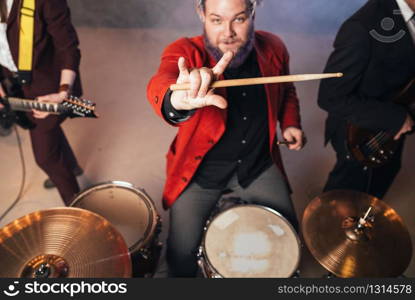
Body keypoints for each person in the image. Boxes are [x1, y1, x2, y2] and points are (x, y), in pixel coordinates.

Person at [147, 0, 306, 277]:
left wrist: (290, 123)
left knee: (288, 239)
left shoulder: (274, 47)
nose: (228, 32)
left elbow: (287, 89)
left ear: (254, 11)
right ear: (201, 14)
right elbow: (163, 81)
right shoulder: (183, 51)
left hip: (258, 166)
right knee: (180, 255)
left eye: (239, 19)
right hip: (200, 174)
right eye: (217, 20)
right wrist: (177, 99)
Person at [318, 0, 415, 199]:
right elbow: (330, 97)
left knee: (370, 211)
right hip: (360, 137)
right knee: (341, 214)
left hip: (391, 135)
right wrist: (396, 118)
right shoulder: (361, 26)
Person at [0, 0, 83, 205]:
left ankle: (80, 209)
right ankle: (72, 167)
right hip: (12, 80)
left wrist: (64, 92)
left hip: (48, 86)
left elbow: (68, 48)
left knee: (46, 157)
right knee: (49, 131)